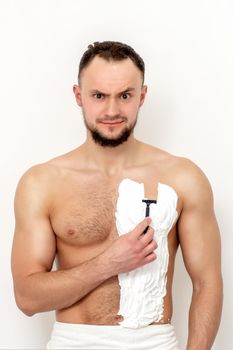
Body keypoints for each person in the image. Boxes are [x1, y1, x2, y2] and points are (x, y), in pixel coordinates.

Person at [11, 41, 223, 350]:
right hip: (74, 342)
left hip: (155, 342)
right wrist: (109, 263)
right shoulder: (42, 183)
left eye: (125, 95)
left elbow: (207, 283)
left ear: (142, 96)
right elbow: (27, 298)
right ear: (78, 95)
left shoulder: (182, 177)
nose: (112, 110)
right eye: (99, 96)